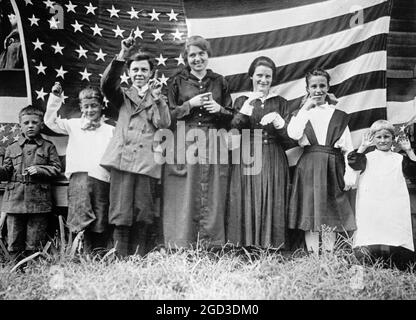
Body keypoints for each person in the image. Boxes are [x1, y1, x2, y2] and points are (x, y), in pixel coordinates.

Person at [100, 31, 171, 257]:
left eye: (144, 70)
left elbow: (163, 123)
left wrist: (158, 99)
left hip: (146, 162)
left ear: (151, 73)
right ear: (129, 73)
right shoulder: (121, 95)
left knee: (143, 211)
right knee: (120, 211)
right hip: (122, 159)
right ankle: (120, 256)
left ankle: (138, 257)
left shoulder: (158, 96)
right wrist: (123, 53)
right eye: (135, 70)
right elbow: (106, 83)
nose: (139, 73)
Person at [162, 35, 234, 249]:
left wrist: (219, 110)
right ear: (186, 58)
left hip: (213, 139)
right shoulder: (177, 81)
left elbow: (232, 116)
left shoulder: (219, 81)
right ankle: (182, 242)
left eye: (201, 54)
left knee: (212, 190)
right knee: (186, 190)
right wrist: (189, 105)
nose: (197, 59)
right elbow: (167, 117)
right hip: (185, 139)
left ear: (207, 55)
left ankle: (210, 244)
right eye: (192, 55)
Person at [287, 68, 356, 253]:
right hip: (309, 166)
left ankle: (328, 256)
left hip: (332, 166)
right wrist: (304, 109)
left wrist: (350, 172)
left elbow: (348, 147)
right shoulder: (302, 113)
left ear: (328, 87)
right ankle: (313, 258)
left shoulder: (338, 115)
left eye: (322, 85)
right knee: (311, 211)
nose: (318, 90)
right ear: (307, 88)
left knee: (330, 212)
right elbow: (293, 134)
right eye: (314, 86)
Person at [226, 56, 292, 249]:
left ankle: (271, 246)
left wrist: (279, 122)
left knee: (273, 197)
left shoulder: (281, 103)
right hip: (247, 154)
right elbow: (233, 129)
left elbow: (289, 139)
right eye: (259, 75)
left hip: (273, 155)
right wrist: (247, 107)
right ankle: (246, 245)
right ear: (251, 76)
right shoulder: (242, 100)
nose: (263, 80)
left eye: (268, 77)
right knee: (247, 197)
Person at [44, 82, 114, 253]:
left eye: (94, 106)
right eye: (86, 107)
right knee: (79, 216)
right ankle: (78, 253)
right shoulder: (73, 125)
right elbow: (49, 122)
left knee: (100, 214)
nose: (90, 110)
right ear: (81, 108)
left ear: (101, 106)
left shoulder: (110, 130)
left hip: (102, 178)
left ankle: (97, 254)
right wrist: (55, 98)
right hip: (79, 178)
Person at [0, 105, 61, 260]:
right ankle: (15, 269)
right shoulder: (12, 148)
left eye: (34, 122)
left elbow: (56, 168)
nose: (30, 126)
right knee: (14, 239)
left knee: (35, 239)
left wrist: (40, 169)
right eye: (26, 123)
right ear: (20, 125)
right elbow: (6, 172)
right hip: (15, 200)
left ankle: (33, 268)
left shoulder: (48, 147)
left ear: (41, 124)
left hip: (38, 201)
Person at [347, 120, 415, 258]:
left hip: (394, 202)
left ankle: (396, 260)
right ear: (373, 139)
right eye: (379, 137)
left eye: (386, 137)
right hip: (372, 202)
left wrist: (409, 150)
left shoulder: (399, 159)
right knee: (372, 230)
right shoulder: (366, 158)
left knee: (394, 231)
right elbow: (354, 164)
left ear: (392, 138)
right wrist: (362, 147)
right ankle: (369, 259)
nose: (383, 140)